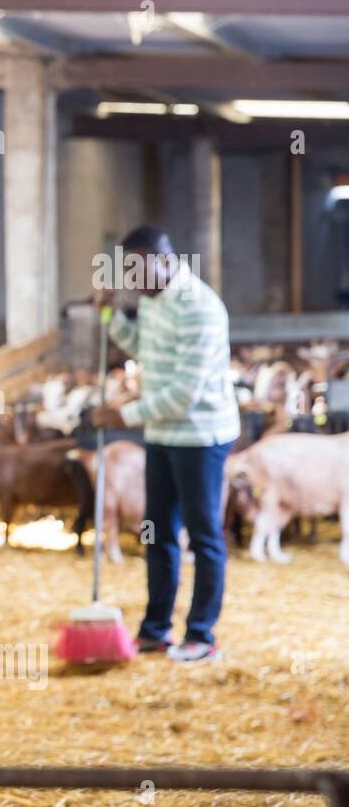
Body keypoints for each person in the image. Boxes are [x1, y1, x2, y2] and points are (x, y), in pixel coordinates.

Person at [92, 225, 240, 662]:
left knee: (203, 534)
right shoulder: (153, 302)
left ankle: (201, 635)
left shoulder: (200, 308)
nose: (132, 284)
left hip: (199, 436)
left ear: (165, 260)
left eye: (138, 273)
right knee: (156, 533)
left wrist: (124, 416)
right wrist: (109, 317)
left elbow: (184, 395)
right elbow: (142, 348)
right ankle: (156, 630)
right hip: (161, 435)